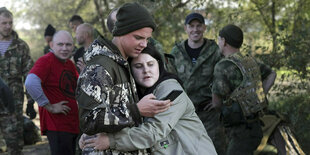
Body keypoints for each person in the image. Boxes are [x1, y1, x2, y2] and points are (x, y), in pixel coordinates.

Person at [79, 43, 217, 155]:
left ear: (159, 65)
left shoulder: (171, 90)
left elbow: (152, 132)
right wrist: (93, 134)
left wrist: (110, 141)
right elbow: (120, 116)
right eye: (138, 66)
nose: (146, 70)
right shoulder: (135, 94)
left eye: (150, 64)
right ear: (130, 71)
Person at [76, 2, 172, 154]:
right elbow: (89, 119)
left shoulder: (124, 62)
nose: (144, 44)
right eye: (138, 37)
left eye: (147, 39)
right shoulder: (100, 67)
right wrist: (136, 110)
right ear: (120, 32)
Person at [166, 12, 226, 154]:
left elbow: (224, 76)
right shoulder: (176, 52)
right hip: (185, 114)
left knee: (215, 149)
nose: (195, 30)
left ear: (204, 28)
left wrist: (219, 100)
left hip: (209, 114)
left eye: (199, 26)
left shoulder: (214, 50)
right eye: (191, 26)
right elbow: (170, 81)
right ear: (185, 28)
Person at [211, 24, 274, 154]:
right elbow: (271, 74)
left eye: (219, 39)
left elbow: (216, 103)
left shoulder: (222, 66)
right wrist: (260, 95)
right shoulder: (249, 60)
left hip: (239, 132)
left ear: (224, 41)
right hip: (256, 126)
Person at [25, 30, 79, 155]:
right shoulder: (47, 61)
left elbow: (78, 89)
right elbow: (30, 82)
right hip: (57, 126)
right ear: (51, 45)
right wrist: (50, 107)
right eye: (60, 44)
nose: (64, 48)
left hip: (72, 125)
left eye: (68, 45)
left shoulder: (69, 64)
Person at [0, 7, 34, 151]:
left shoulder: (21, 46)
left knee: (15, 145)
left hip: (13, 104)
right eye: (4, 23)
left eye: (10, 23)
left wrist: (31, 102)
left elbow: (29, 75)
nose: (8, 26)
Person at [0, 77, 21, 154]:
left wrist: (10, 111)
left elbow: (6, 92)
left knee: (12, 142)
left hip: (4, 113)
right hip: (5, 113)